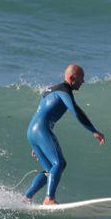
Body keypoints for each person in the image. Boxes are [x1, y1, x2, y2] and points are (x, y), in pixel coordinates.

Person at [24, 64, 105, 205]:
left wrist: (37, 142)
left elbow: (43, 112)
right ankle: (49, 199)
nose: (83, 81)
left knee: (50, 170)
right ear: (72, 78)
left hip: (32, 131)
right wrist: (93, 130)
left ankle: (26, 198)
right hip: (42, 130)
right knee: (59, 163)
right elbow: (76, 111)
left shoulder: (50, 90)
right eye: (81, 78)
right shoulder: (64, 91)